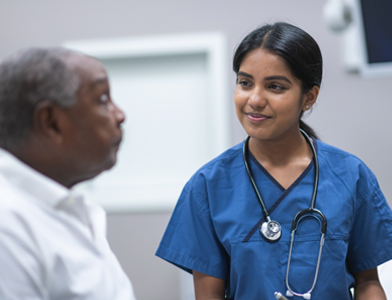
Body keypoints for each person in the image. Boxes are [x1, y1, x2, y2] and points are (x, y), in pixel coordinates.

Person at [156, 22, 392, 299]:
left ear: (309, 96)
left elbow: (367, 282)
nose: (254, 99)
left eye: (275, 86)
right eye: (245, 83)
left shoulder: (351, 176)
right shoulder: (208, 186)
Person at [0, 47, 136, 299]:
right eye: (103, 99)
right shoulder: (7, 225)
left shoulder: (70, 208)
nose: (120, 115)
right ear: (51, 123)